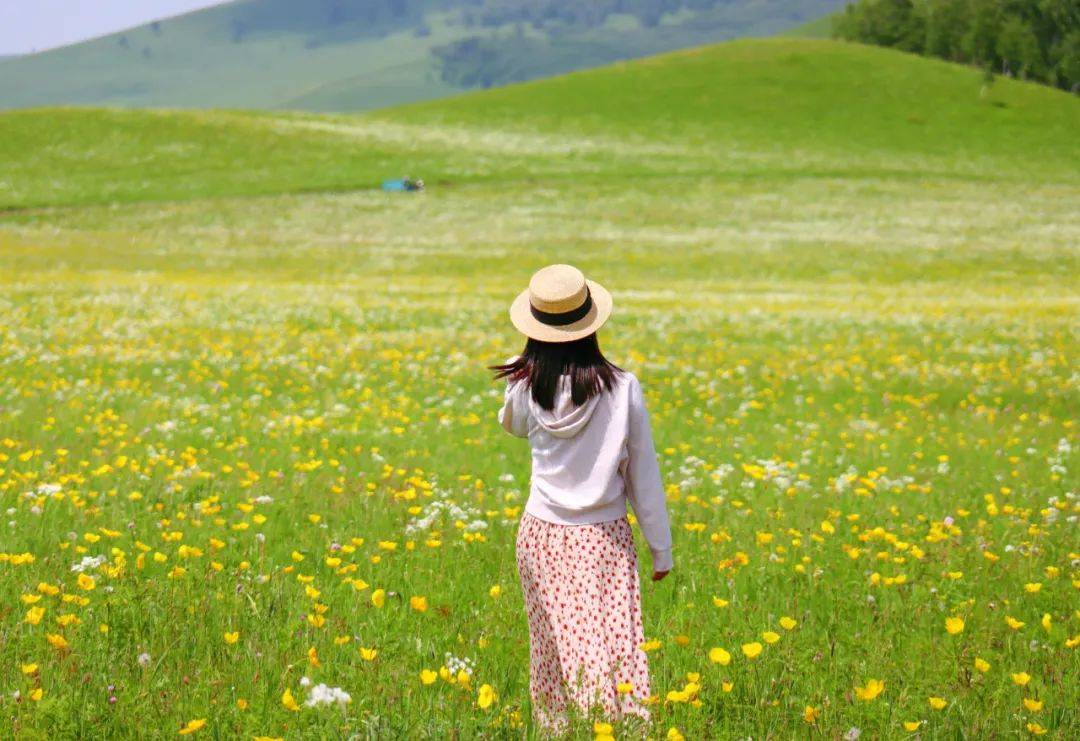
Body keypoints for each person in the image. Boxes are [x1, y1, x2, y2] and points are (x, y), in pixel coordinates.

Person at [491, 264, 673, 735]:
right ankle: (624, 730)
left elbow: (510, 425)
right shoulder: (621, 387)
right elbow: (644, 474)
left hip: (540, 536)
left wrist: (525, 364)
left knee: (552, 649)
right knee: (616, 648)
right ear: (591, 324)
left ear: (534, 331)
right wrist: (661, 546)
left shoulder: (527, 385)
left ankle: (559, 732)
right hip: (604, 538)